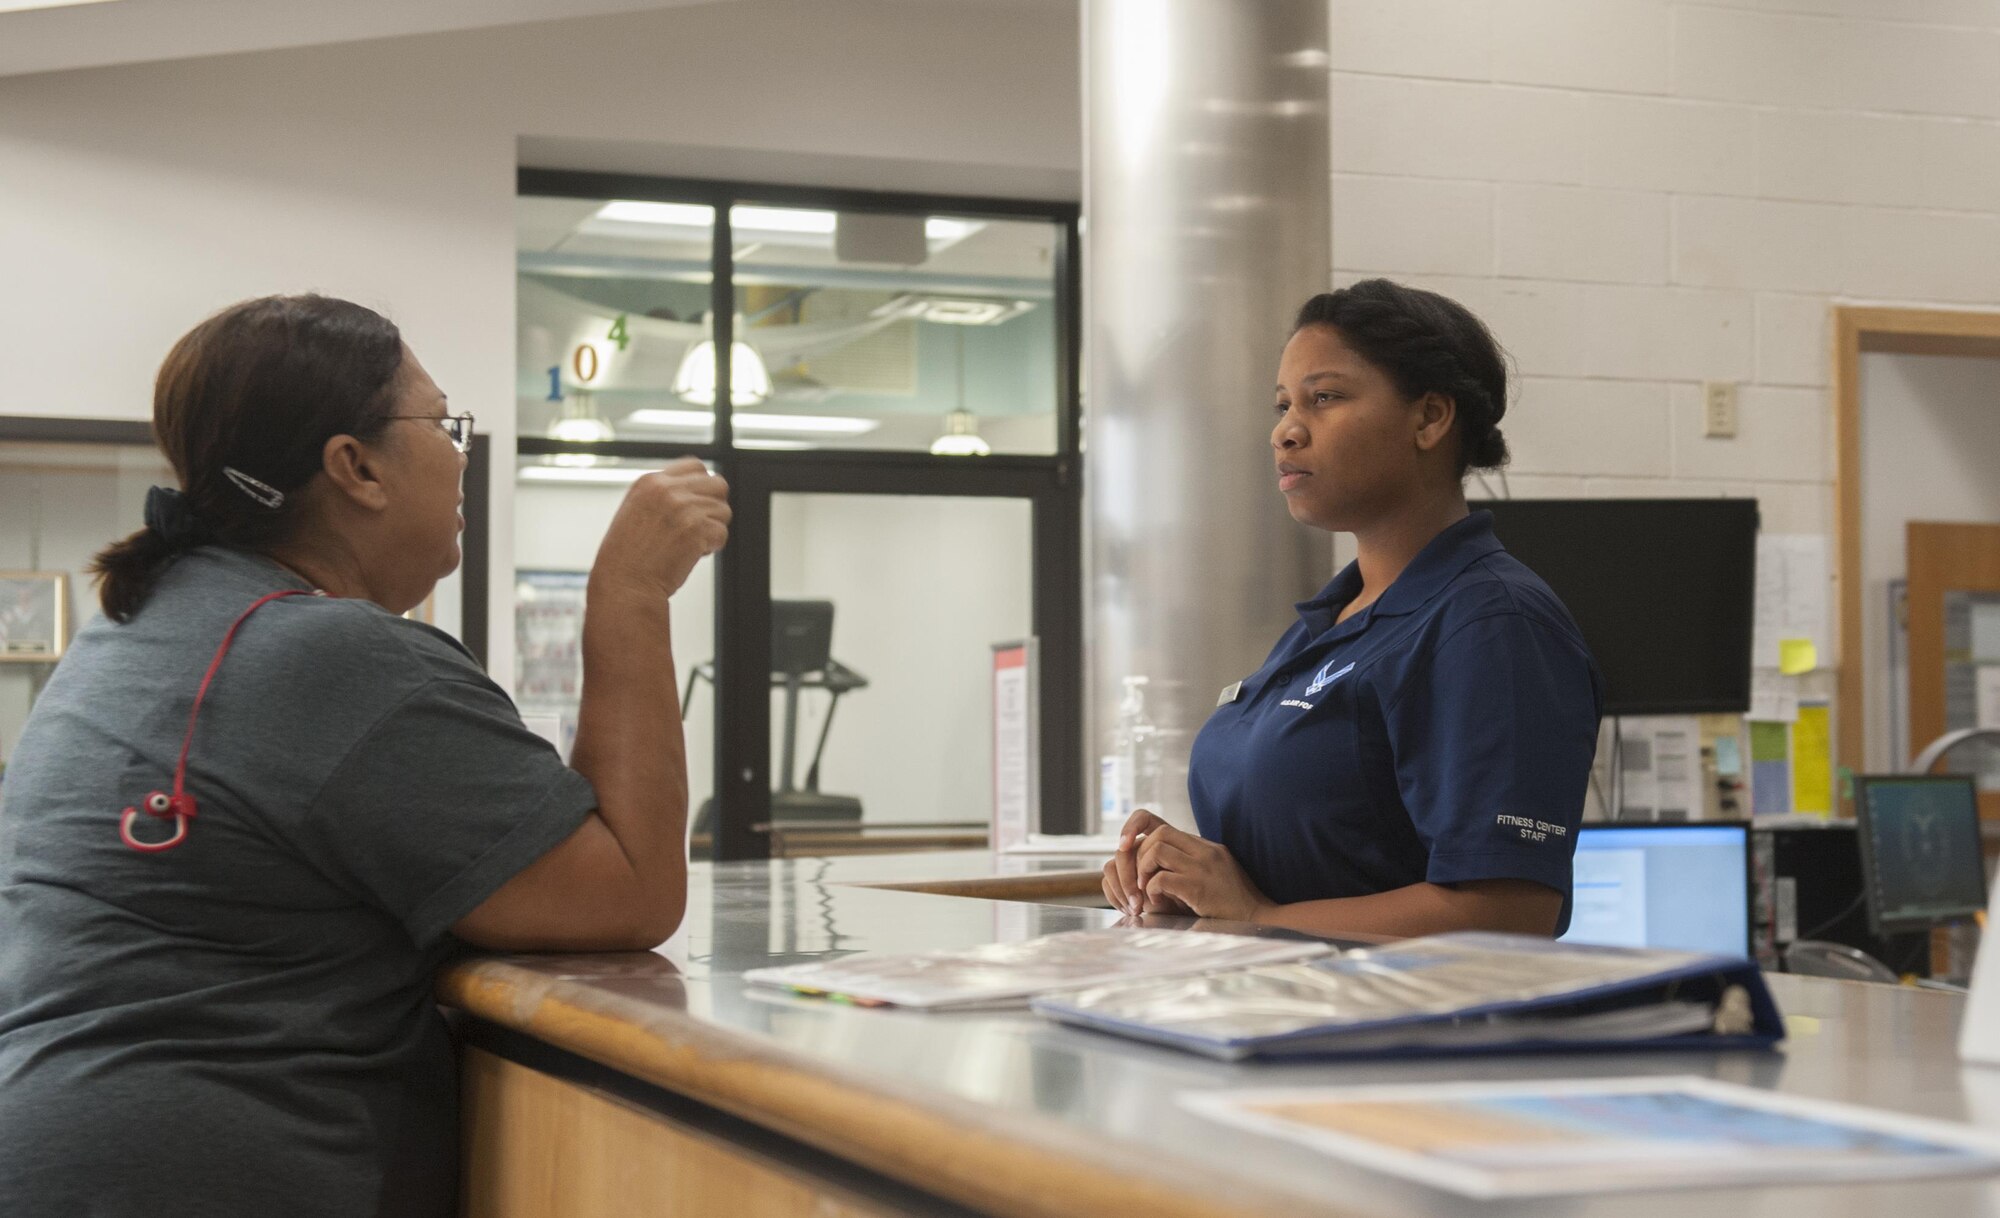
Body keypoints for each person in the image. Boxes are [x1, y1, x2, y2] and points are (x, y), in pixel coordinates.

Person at [0, 295, 728, 1217]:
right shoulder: (323, 657)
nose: (460, 453)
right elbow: (630, 892)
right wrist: (630, 592)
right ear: (356, 467)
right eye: (443, 424)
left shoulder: (139, 628)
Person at [1101, 279, 1602, 940]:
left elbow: (1506, 914)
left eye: (1325, 398)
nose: (1286, 431)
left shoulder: (1493, 624)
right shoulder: (1329, 626)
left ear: (1429, 419)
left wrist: (1260, 918)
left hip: (1401, 1035)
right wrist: (1186, 878)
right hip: (1274, 1018)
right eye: (1283, 404)